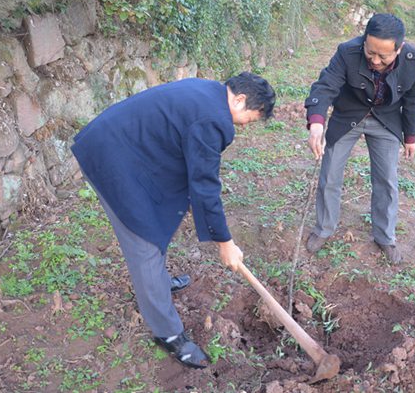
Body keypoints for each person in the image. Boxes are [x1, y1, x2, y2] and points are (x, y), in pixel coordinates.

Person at [71, 72, 275, 368]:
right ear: (240, 99)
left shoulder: (209, 92)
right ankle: (167, 333)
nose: (244, 126)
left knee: (162, 214)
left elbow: (192, 166)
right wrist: (225, 242)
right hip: (112, 158)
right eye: (250, 119)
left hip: (129, 150)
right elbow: (205, 185)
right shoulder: (212, 119)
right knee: (144, 240)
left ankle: (160, 284)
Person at [304, 13, 415, 264]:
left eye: (384, 56)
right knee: (330, 174)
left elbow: (413, 99)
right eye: (370, 52)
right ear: (364, 41)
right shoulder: (347, 52)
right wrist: (316, 122)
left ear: (399, 48)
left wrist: (410, 136)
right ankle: (324, 228)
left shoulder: (413, 60)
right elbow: (325, 86)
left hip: (386, 119)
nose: (375, 60)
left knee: (386, 179)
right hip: (349, 115)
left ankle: (385, 237)